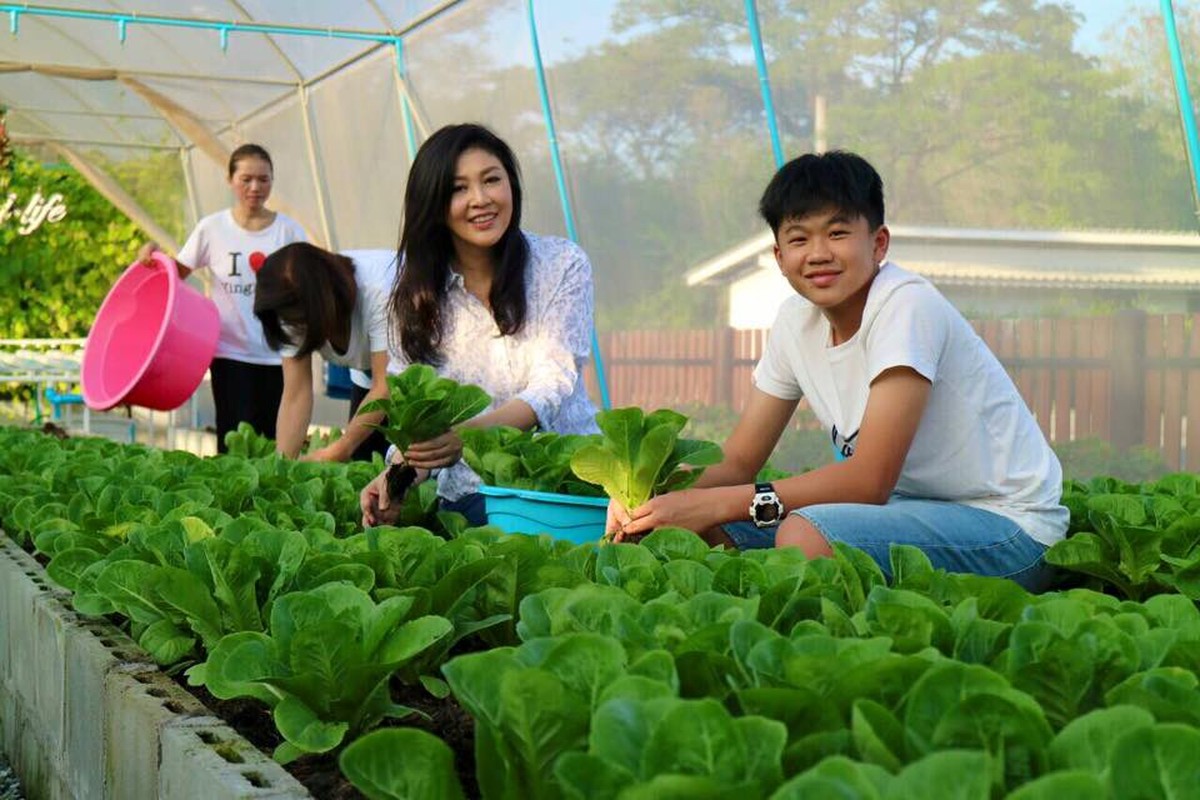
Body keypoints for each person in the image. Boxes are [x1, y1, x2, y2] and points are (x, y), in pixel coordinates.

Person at [610, 151, 1068, 591]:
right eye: (799, 239)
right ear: (779, 257)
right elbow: (738, 461)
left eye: (837, 233)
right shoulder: (795, 321)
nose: (818, 253)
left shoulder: (905, 305)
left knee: (805, 536)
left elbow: (869, 480)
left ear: (879, 243)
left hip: (1009, 529)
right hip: (903, 511)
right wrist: (649, 496)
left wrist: (710, 503)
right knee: (695, 531)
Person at [359, 123, 600, 527]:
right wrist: (397, 477)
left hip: (568, 486)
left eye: (492, 180)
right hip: (475, 497)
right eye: (458, 188)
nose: (481, 199)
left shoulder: (561, 265)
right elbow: (418, 419)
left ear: (512, 186)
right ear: (432, 203)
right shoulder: (412, 299)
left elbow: (552, 383)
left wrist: (465, 435)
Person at [137, 144, 307, 453]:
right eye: (246, 179)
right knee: (232, 440)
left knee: (274, 442)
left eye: (263, 179)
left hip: (278, 354)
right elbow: (176, 273)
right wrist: (153, 258)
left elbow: (307, 284)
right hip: (229, 353)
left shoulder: (289, 232)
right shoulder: (212, 228)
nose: (255, 187)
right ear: (230, 180)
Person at [253, 242, 394, 461]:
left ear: (324, 302)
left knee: (419, 464)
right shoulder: (290, 307)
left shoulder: (381, 291)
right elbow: (295, 394)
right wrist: (282, 468)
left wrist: (340, 448)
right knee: (366, 465)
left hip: (430, 371)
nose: (294, 327)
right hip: (370, 377)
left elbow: (386, 386)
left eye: (300, 319)